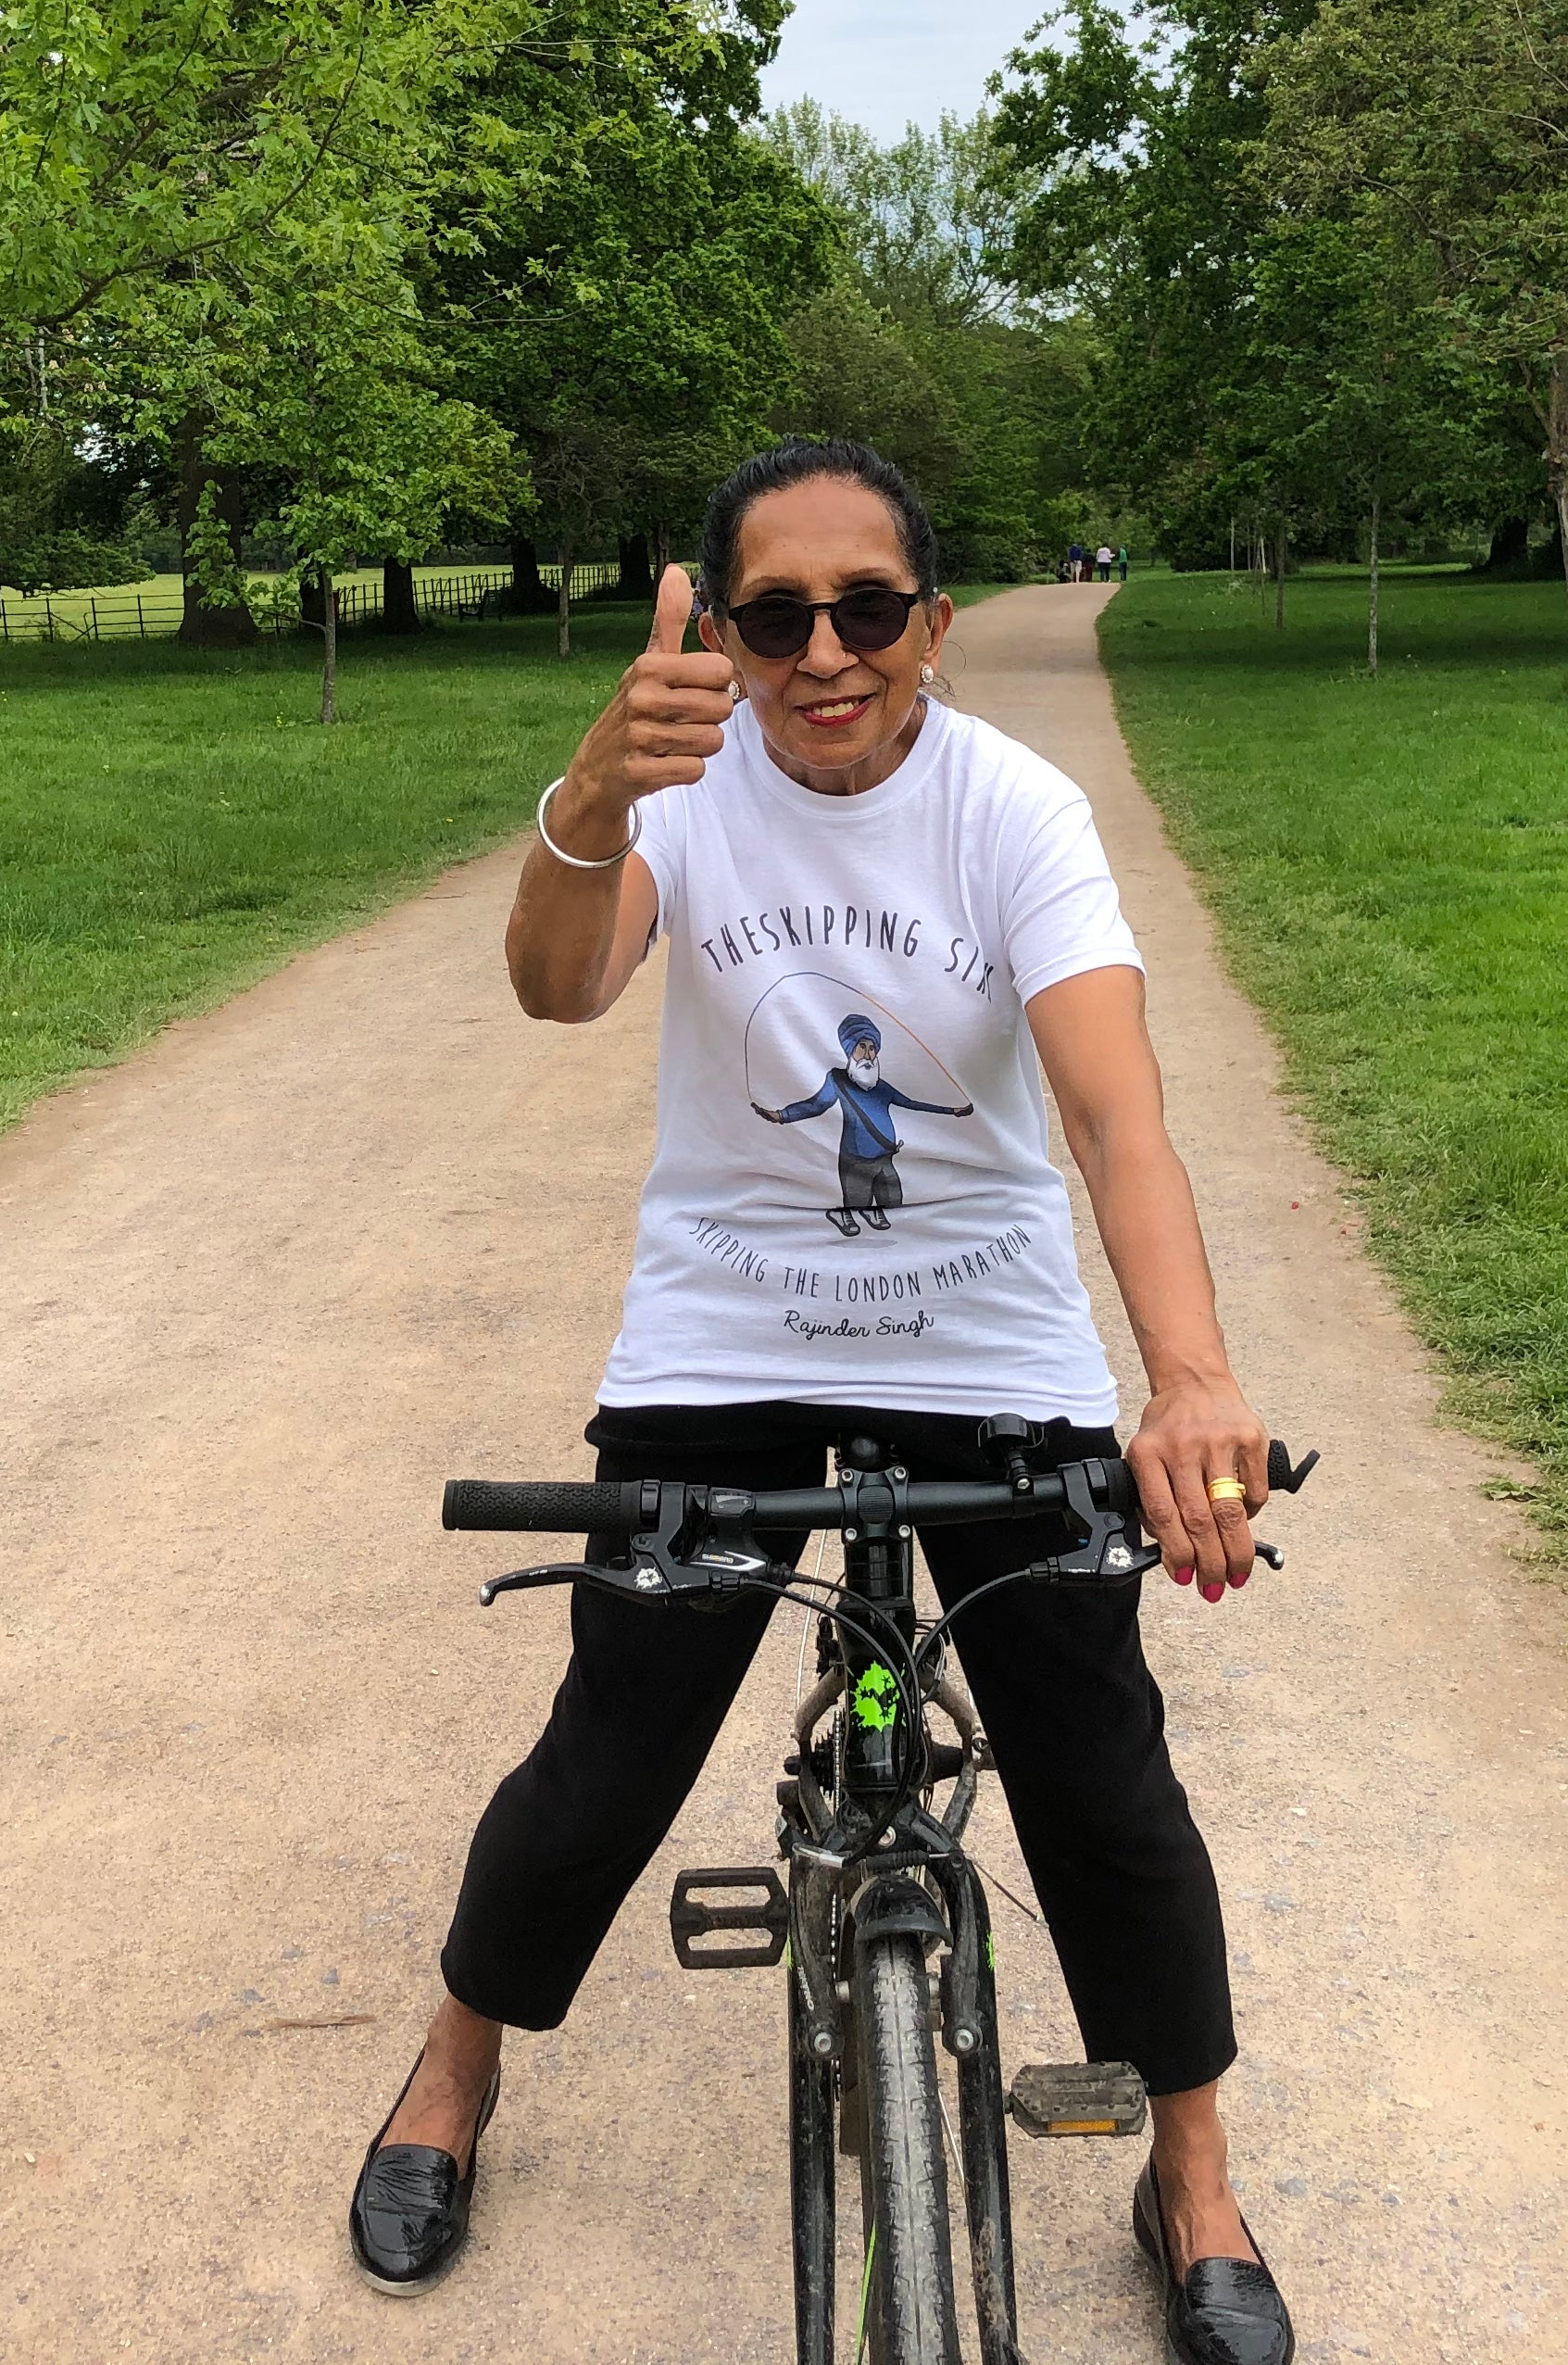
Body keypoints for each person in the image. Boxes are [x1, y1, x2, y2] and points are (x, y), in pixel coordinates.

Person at [347, 437, 1295, 2363]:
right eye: (778, 615)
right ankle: (455, 2073)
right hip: (726, 1345)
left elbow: (1118, 1118)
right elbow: (556, 988)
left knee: (1104, 1776)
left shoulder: (1012, 811)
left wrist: (1187, 1381)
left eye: (870, 609)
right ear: (721, 632)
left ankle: (1191, 2171)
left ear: (933, 623)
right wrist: (594, 795)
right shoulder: (676, 800)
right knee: (608, 1751)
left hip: (989, 1345)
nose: (827, 650)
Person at [752, 1010, 970, 1232]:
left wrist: (952, 1110)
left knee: (894, 1204)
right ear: (850, 1051)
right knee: (855, 1203)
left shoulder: (882, 1087)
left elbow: (912, 1103)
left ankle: (872, 1211)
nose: (868, 1054)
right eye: (861, 1047)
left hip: (885, 1157)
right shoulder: (838, 1080)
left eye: (872, 1048)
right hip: (855, 1158)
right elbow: (816, 1105)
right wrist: (781, 1115)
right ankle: (842, 1215)